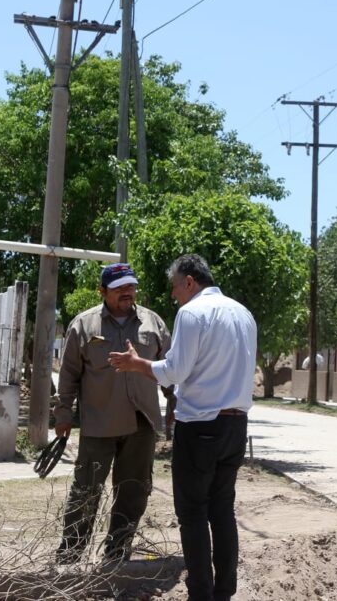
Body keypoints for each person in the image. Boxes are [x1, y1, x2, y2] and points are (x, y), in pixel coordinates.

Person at [108, 254, 257, 601]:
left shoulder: (192, 313)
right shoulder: (243, 313)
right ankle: (224, 592)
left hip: (201, 426)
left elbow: (174, 372)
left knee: (192, 515)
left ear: (189, 281)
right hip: (236, 426)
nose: (174, 294)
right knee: (222, 511)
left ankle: (200, 594)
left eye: (175, 287)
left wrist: (136, 364)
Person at [53, 262, 171, 564]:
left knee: (133, 492)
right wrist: (63, 412)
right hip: (98, 423)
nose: (127, 292)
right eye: (119, 288)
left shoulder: (153, 323)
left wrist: (176, 404)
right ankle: (70, 556)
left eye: (130, 286)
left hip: (141, 423)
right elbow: (68, 374)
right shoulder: (84, 325)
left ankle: (117, 553)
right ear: (102, 291)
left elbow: (172, 369)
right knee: (86, 492)